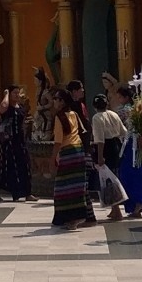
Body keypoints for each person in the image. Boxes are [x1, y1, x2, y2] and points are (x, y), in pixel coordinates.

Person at [50, 88, 95, 229]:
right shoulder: (74, 114)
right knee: (77, 186)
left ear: (62, 101)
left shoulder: (59, 117)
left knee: (63, 187)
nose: (54, 101)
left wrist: (52, 160)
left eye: (57, 99)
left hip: (68, 152)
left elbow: (58, 141)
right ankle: (78, 217)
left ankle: (71, 218)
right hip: (79, 151)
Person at [89, 94, 130, 224]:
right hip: (115, 146)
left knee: (108, 179)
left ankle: (116, 209)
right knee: (113, 176)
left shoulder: (97, 118)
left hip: (105, 148)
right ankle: (114, 208)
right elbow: (124, 132)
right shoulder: (113, 114)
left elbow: (100, 139)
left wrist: (100, 156)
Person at [0, 87, 32, 203]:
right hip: (8, 141)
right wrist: (6, 94)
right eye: (14, 93)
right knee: (5, 166)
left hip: (20, 141)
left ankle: (27, 193)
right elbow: (3, 107)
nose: (17, 95)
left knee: (25, 164)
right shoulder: (7, 107)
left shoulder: (20, 108)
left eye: (18, 93)